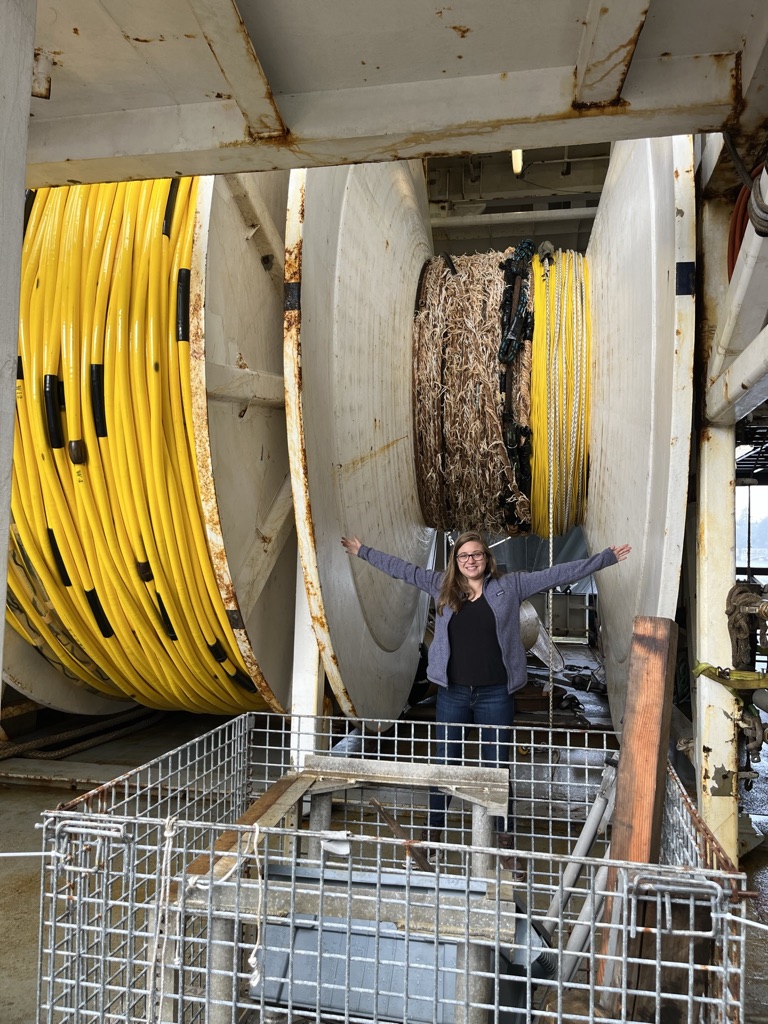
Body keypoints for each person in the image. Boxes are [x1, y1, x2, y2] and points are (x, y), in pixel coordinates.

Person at [341, 530, 630, 863]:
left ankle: (504, 840)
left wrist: (605, 558)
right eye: (464, 556)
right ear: (456, 561)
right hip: (452, 694)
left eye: (476, 554)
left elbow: (558, 574)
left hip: (495, 695)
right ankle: (434, 834)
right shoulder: (441, 586)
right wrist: (364, 551)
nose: (470, 561)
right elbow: (402, 569)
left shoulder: (511, 586)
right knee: (445, 766)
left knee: (497, 768)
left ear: (486, 558)